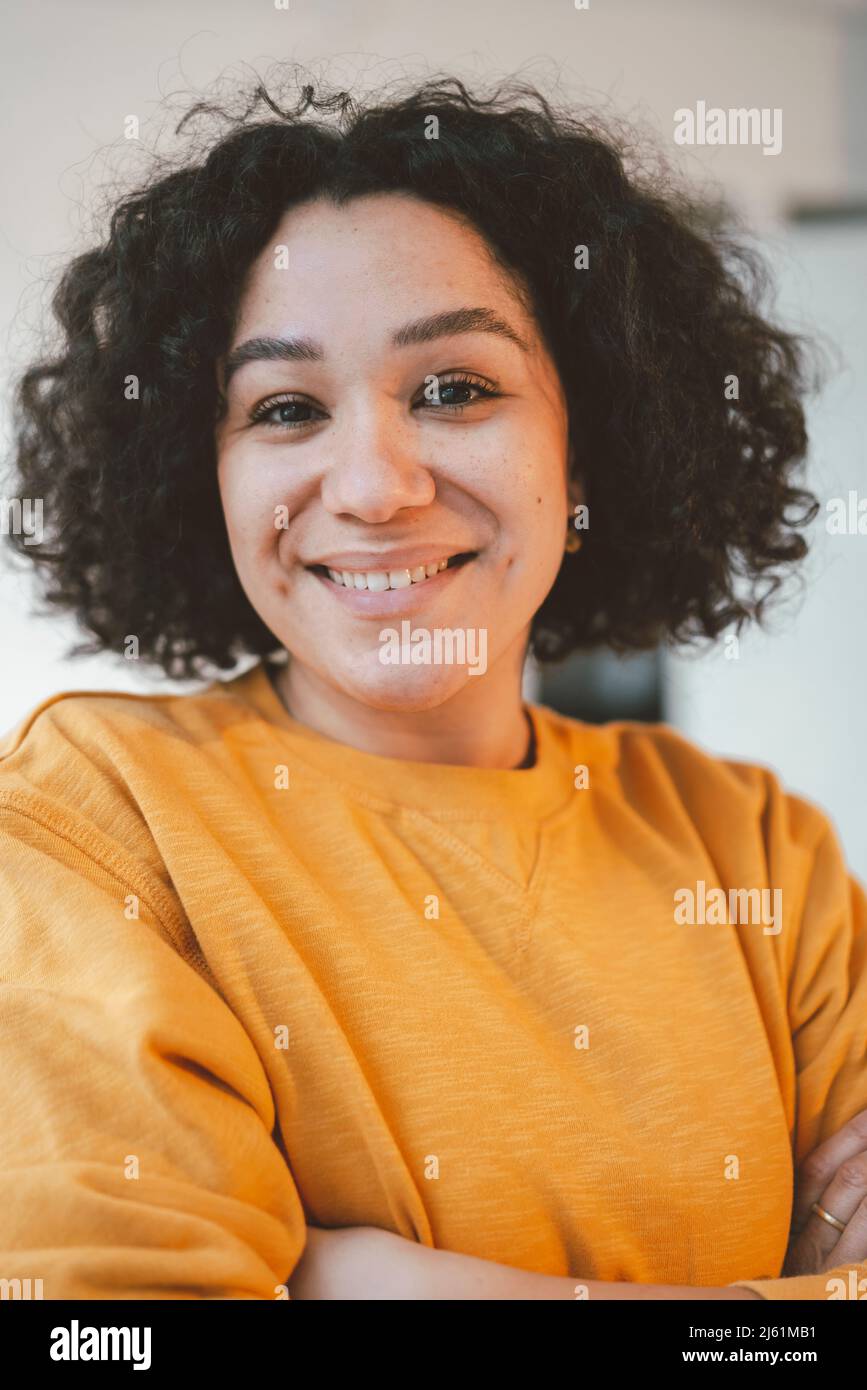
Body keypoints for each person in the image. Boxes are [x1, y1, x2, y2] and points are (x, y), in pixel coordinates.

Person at [1, 69, 866, 1302]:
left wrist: (356, 1280)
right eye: (287, 406)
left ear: (595, 437)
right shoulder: (93, 817)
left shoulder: (754, 851)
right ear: (206, 474)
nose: (372, 486)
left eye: (455, 388)